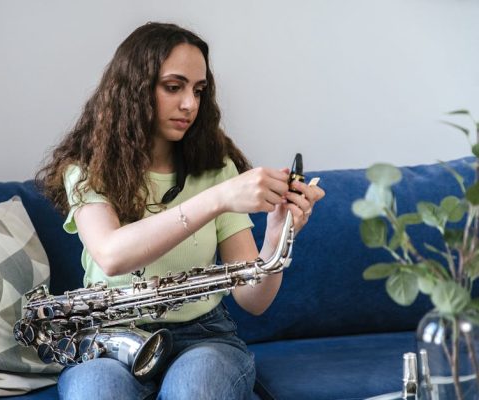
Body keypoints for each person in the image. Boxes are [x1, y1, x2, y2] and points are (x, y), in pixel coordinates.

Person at [37, 22, 325, 400]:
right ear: (135, 88)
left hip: (203, 336)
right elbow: (110, 255)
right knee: (96, 391)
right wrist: (219, 198)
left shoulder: (216, 168)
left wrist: (277, 233)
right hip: (107, 335)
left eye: (198, 90)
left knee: (196, 390)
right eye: (174, 87)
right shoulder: (87, 169)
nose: (190, 104)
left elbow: (253, 301)